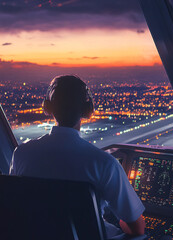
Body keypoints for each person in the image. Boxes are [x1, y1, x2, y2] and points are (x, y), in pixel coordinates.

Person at [9, 75, 146, 239]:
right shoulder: (103, 163)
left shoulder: (21, 154)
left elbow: (15, 208)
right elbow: (137, 228)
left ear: (48, 108)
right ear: (87, 110)